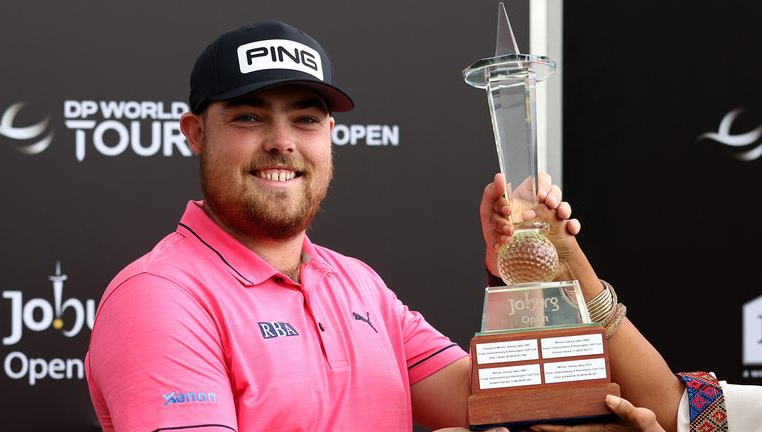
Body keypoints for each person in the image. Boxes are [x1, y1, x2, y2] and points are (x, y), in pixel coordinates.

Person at [83, 19, 753, 432]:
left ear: (331, 137)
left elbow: (491, 401)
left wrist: (532, 271)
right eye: (250, 117)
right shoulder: (159, 299)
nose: (282, 141)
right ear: (196, 133)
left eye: (307, 118)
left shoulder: (359, 287)